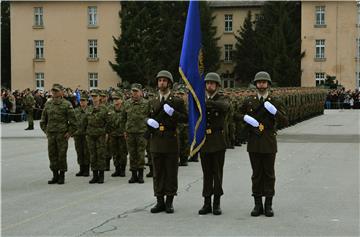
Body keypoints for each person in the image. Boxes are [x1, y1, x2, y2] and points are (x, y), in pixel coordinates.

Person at [238, 71, 288, 217]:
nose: (261, 85)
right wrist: (246, 118)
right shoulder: (249, 101)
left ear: (268, 84)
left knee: (269, 174)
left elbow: (285, 121)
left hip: (268, 142)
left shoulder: (275, 101)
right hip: (254, 141)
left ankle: (268, 205)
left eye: (264, 82)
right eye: (259, 82)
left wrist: (275, 112)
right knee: (256, 174)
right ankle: (257, 204)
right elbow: (236, 114)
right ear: (255, 84)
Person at [147, 70, 187, 214]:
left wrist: (173, 113)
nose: (161, 83)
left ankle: (169, 201)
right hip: (156, 140)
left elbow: (185, 118)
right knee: (158, 172)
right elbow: (146, 118)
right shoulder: (153, 101)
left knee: (171, 172)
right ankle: (159, 201)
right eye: (159, 80)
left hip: (170, 140)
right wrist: (148, 122)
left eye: (164, 80)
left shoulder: (176, 101)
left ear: (169, 83)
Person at [198, 73, 229, 216]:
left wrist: (208, 103)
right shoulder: (200, 99)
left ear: (217, 85)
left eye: (212, 83)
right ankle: (206, 202)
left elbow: (225, 107)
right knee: (206, 173)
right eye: (207, 83)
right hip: (204, 140)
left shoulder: (222, 98)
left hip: (217, 141)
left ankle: (216, 203)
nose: (209, 85)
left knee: (217, 173)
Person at [40, 84, 76, 184]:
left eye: (56, 91)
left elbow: (73, 122)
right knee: (52, 155)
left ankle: (62, 176)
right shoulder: (48, 104)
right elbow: (43, 120)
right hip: (51, 134)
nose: (54, 93)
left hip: (62, 135)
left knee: (61, 155)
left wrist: (69, 133)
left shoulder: (66, 104)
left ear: (61, 92)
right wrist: (46, 131)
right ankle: (55, 175)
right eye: (53, 91)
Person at [123, 83, 150, 183]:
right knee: (132, 154)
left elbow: (150, 117)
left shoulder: (147, 104)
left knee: (141, 154)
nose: (134, 94)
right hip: (130, 133)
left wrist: (149, 131)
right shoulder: (127, 103)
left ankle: (140, 174)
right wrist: (124, 130)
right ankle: (133, 175)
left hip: (142, 133)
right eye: (132, 92)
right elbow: (123, 118)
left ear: (141, 92)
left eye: (136, 92)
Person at [85, 89, 109, 184]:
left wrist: (106, 132)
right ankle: (95, 175)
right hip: (90, 134)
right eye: (92, 96)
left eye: (95, 96)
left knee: (101, 155)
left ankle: (101, 175)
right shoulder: (89, 108)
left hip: (100, 134)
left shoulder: (104, 109)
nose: (94, 98)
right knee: (93, 155)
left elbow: (109, 122)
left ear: (99, 97)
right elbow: (85, 122)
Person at [108, 91, 128, 177]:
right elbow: (107, 121)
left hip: (122, 134)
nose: (115, 101)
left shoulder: (125, 108)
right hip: (113, 134)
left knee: (123, 153)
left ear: (122, 100)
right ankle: (117, 169)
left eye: (117, 99)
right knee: (115, 153)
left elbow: (128, 121)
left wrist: (126, 131)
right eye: (114, 99)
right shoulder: (110, 108)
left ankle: (122, 169)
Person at [73, 93, 90, 177]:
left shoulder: (90, 110)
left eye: (84, 101)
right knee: (79, 152)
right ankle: (81, 169)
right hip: (77, 134)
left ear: (87, 101)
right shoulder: (76, 110)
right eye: (81, 101)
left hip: (86, 134)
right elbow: (72, 121)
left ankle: (86, 170)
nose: (82, 102)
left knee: (86, 152)